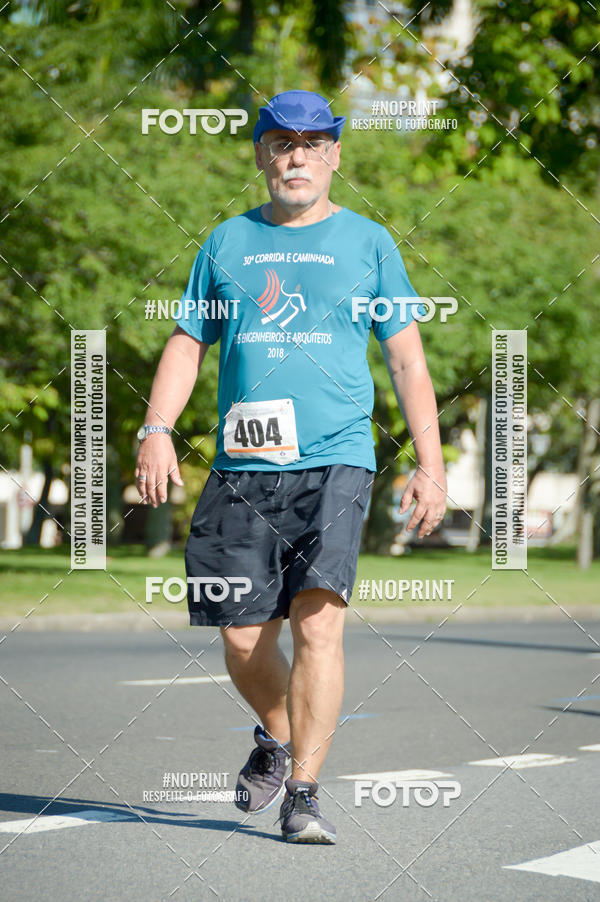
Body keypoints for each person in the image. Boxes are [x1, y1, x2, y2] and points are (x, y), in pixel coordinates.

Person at [135, 89, 447, 844]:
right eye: (281, 142)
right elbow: (186, 344)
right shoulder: (227, 243)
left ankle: (303, 789)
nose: (296, 155)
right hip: (243, 466)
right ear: (260, 155)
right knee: (241, 639)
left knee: (318, 624)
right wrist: (156, 430)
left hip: (337, 460)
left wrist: (430, 465)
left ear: (335, 155)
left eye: (312, 143)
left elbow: (406, 361)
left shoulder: (370, 243)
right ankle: (278, 733)